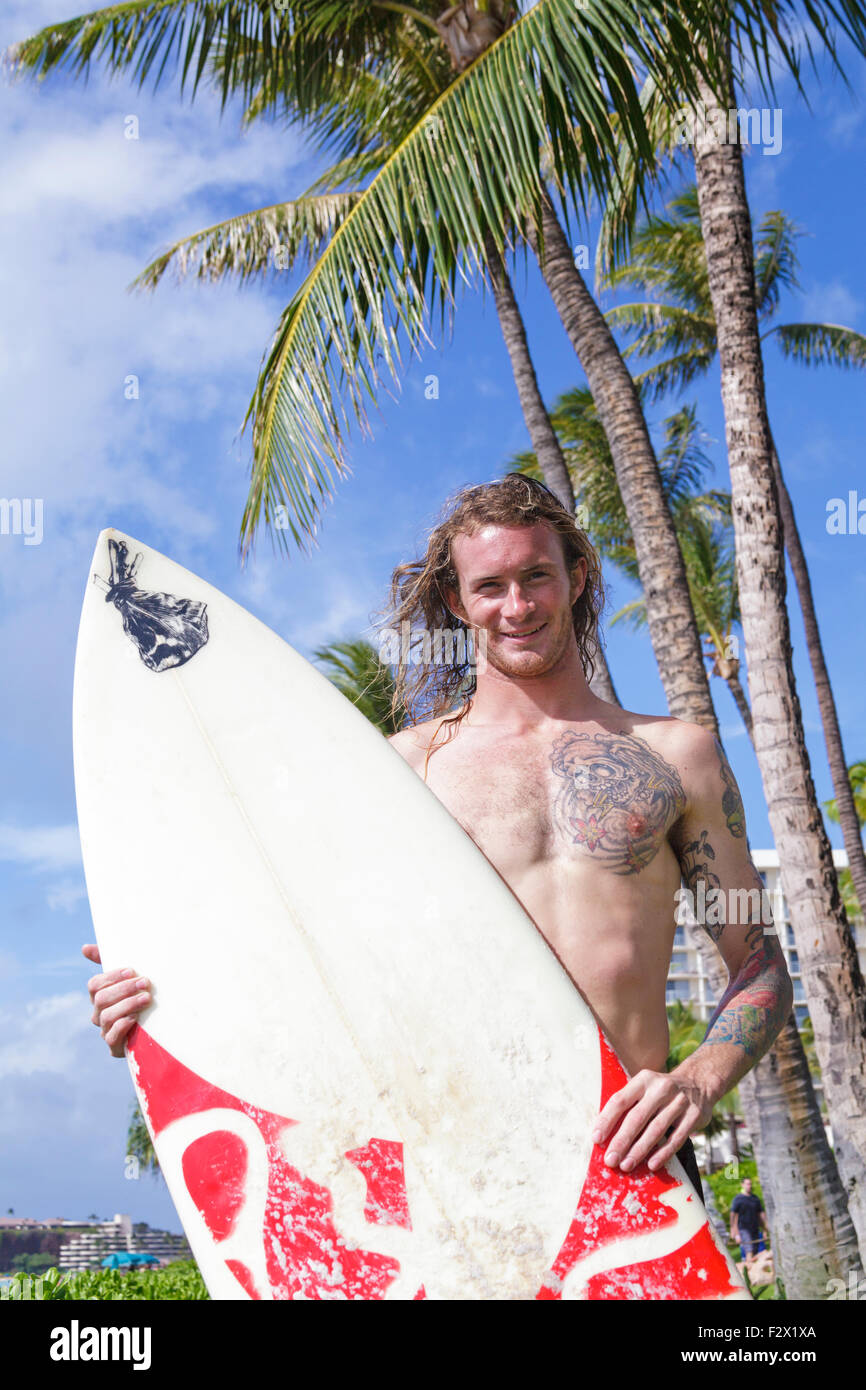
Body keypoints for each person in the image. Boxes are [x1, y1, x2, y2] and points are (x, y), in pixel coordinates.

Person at [84, 475, 793, 1201]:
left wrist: (696, 1081)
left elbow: (759, 963)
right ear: (458, 603)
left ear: (577, 578)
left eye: (536, 577)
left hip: (632, 1166)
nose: (516, 606)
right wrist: (156, 999)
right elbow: (303, 947)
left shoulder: (678, 756)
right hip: (460, 1170)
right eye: (490, 587)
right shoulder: (403, 772)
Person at [730, 1177, 769, 1264]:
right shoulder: (738, 1199)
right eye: (747, 1184)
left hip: (754, 1228)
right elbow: (733, 1216)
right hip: (743, 1229)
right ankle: (748, 1271)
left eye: (750, 1184)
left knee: (756, 1251)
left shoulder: (755, 1198)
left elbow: (761, 1215)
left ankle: (753, 1271)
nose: (749, 1186)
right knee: (749, 1250)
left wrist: (765, 1229)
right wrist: (735, 1233)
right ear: (742, 1185)